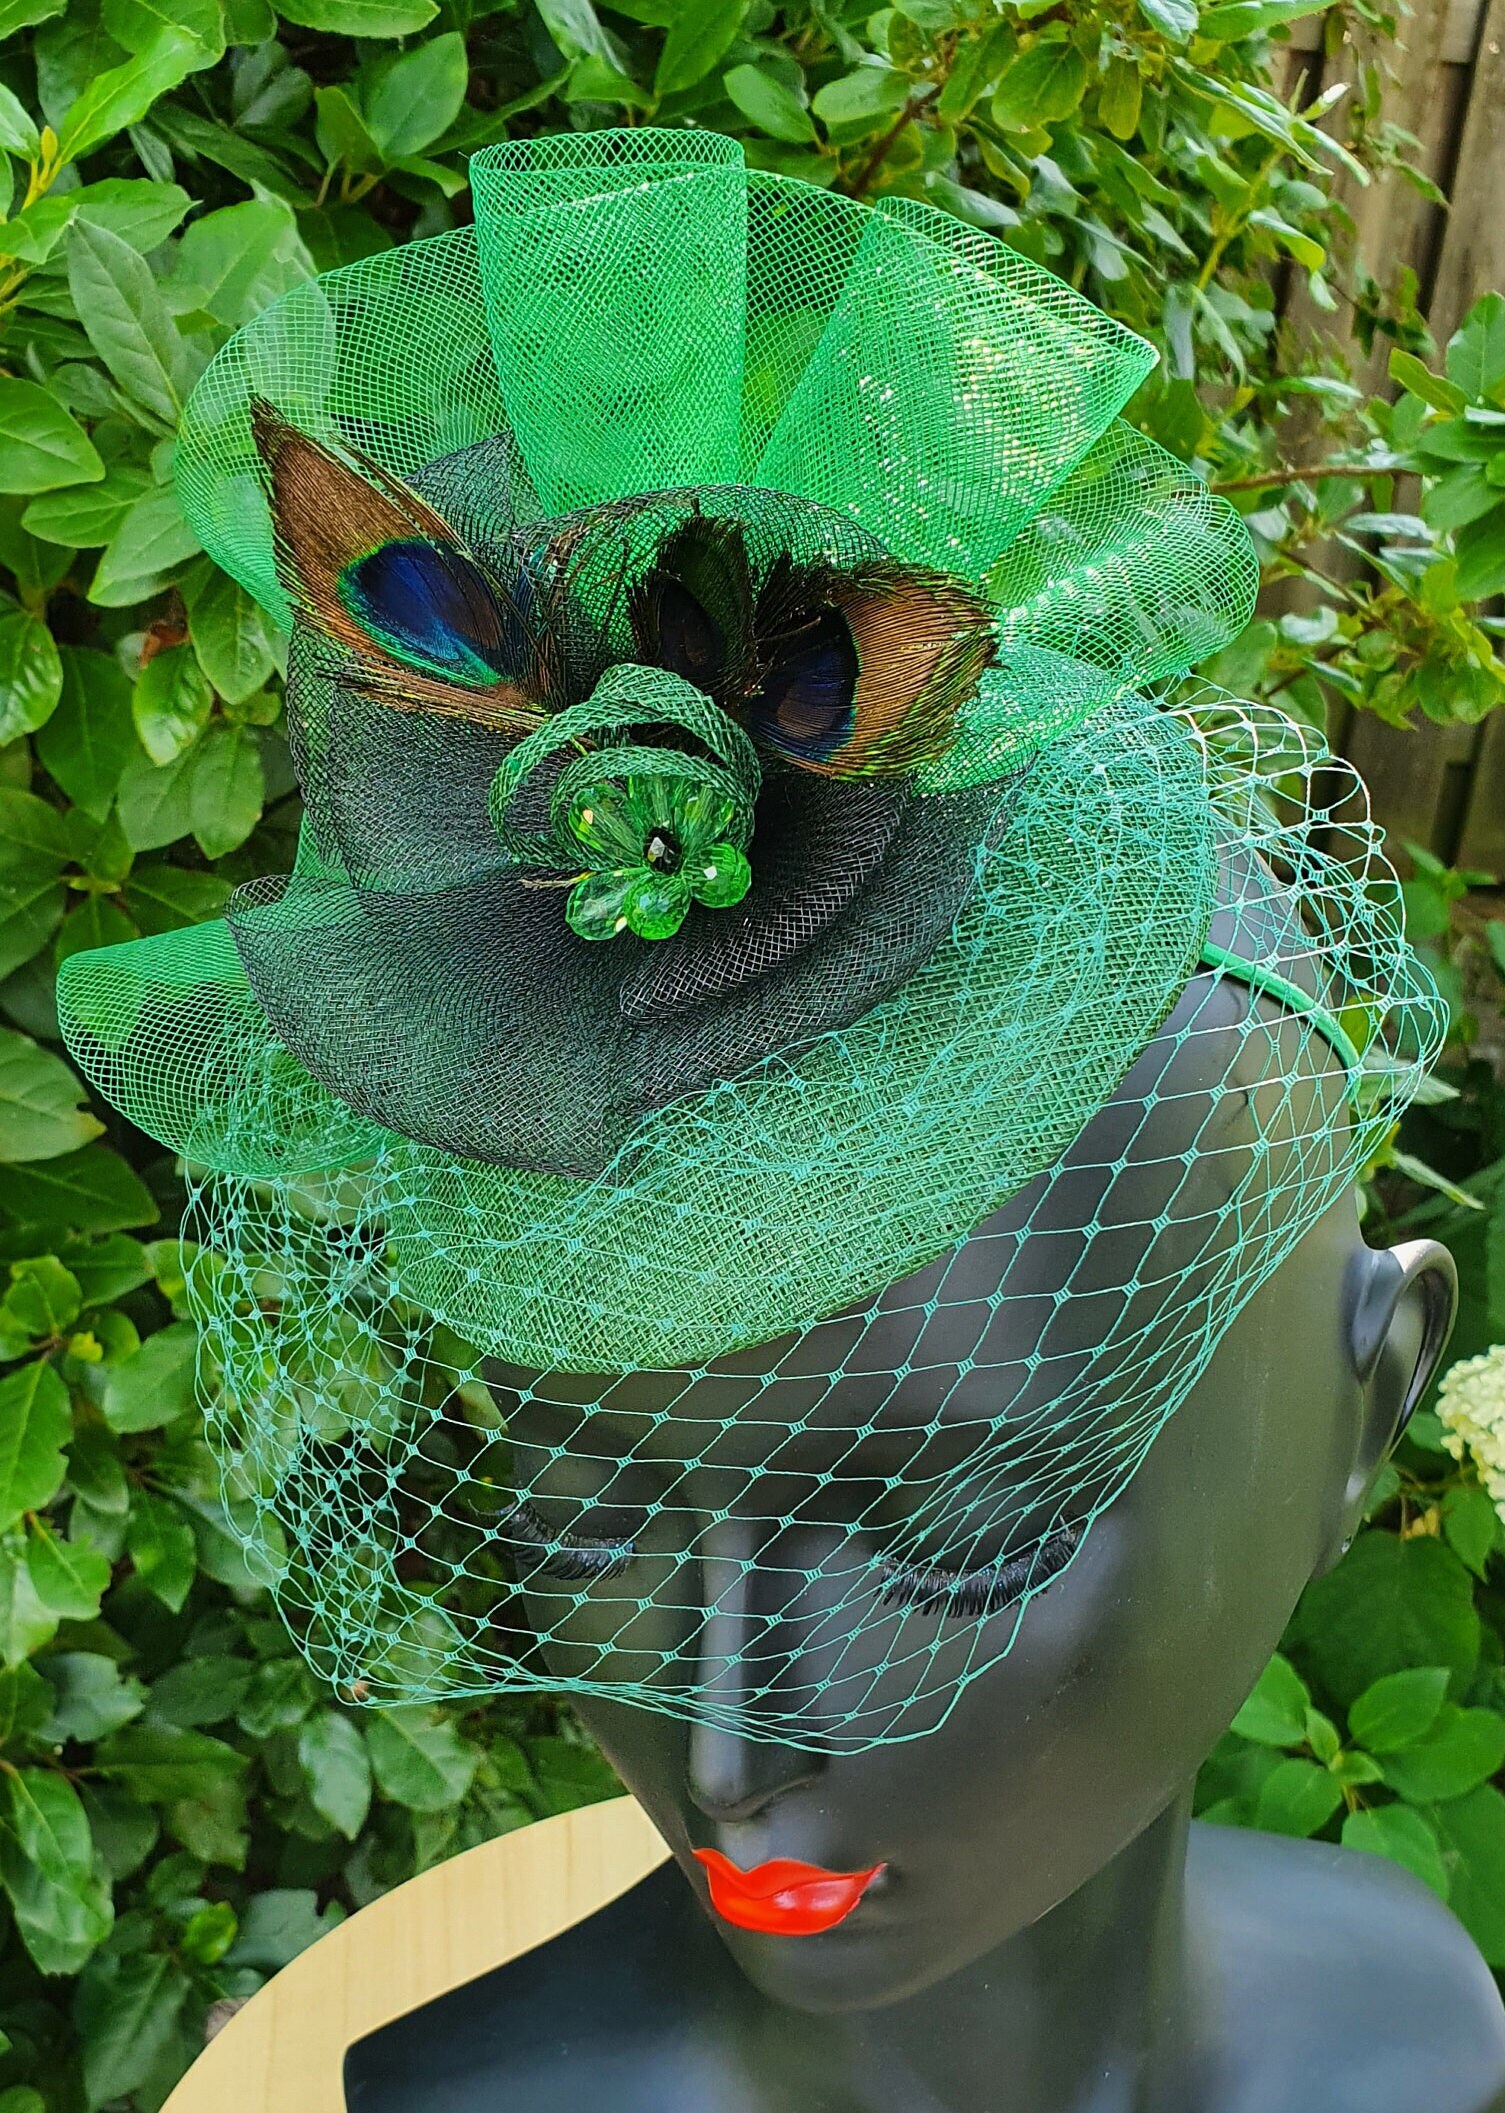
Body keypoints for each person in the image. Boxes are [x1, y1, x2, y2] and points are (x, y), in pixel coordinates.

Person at [55, 128, 1505, 2113]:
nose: (729, 1753)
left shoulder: (1417, 2038)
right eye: (591, 1510)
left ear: (1367, 1405)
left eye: (960, 1540)